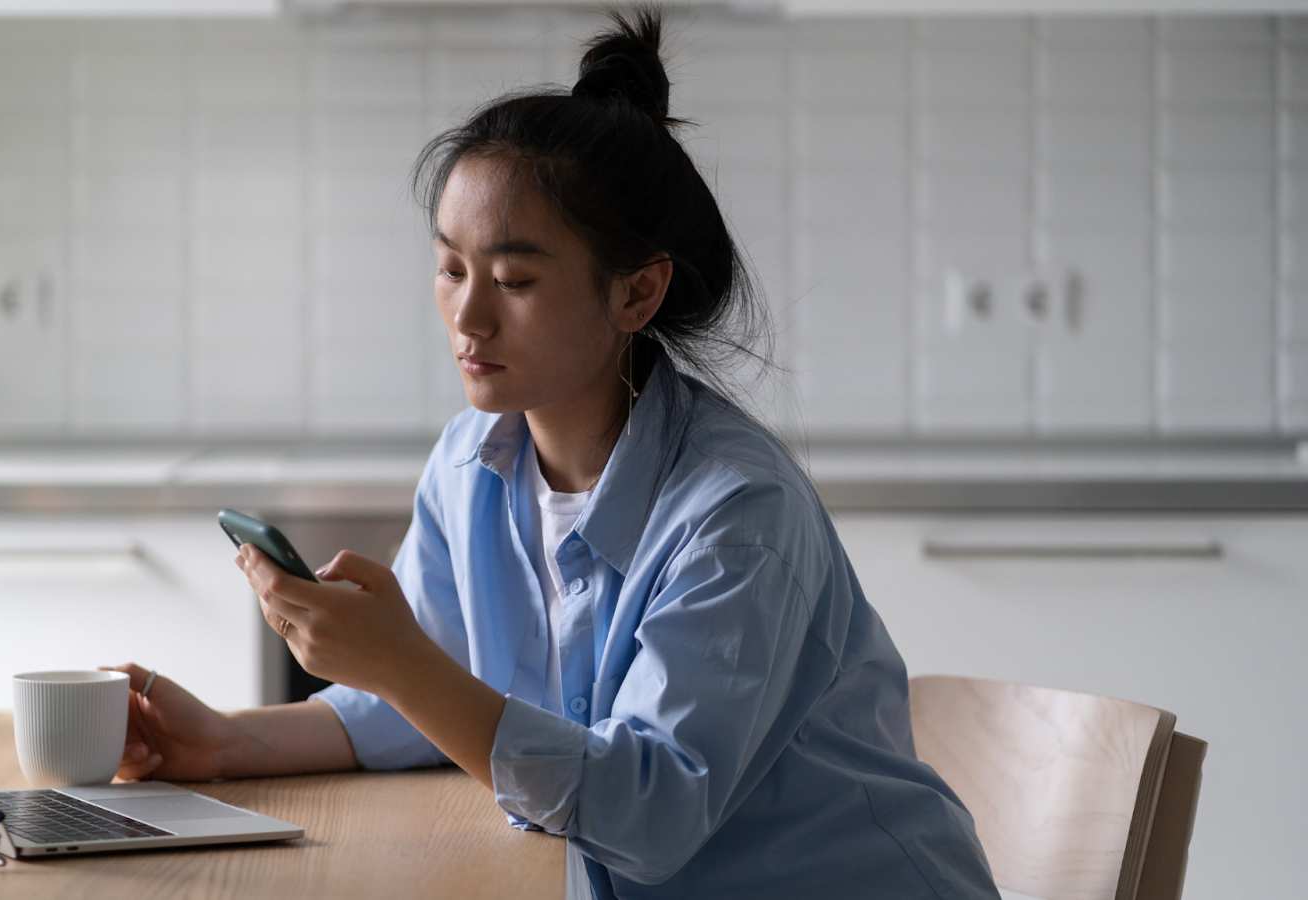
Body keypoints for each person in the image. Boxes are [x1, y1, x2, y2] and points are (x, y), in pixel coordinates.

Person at [110, 9, 1000, 899]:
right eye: (451, 268)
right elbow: (424, 707)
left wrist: (401, 662)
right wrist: (226, 740)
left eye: (515, 280)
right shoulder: (470, 465)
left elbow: (648, 811)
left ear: (637, 292)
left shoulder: (736, 515)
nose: (468, 316)